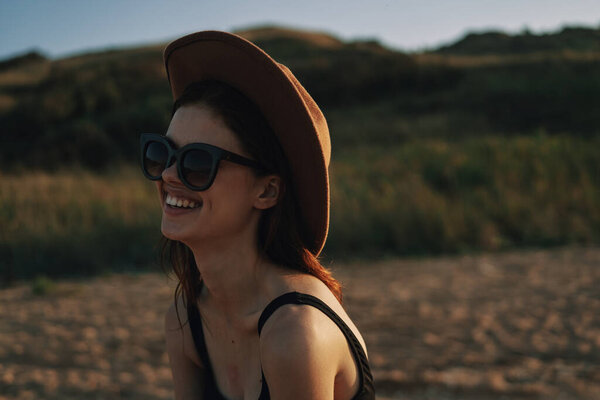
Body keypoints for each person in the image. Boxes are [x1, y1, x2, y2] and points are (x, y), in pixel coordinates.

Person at [140, 30, 375, 400]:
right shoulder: (186, 319)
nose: (169, 175)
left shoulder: (295, 333)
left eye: (197, 163)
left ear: (266, 191)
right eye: (162, 153)